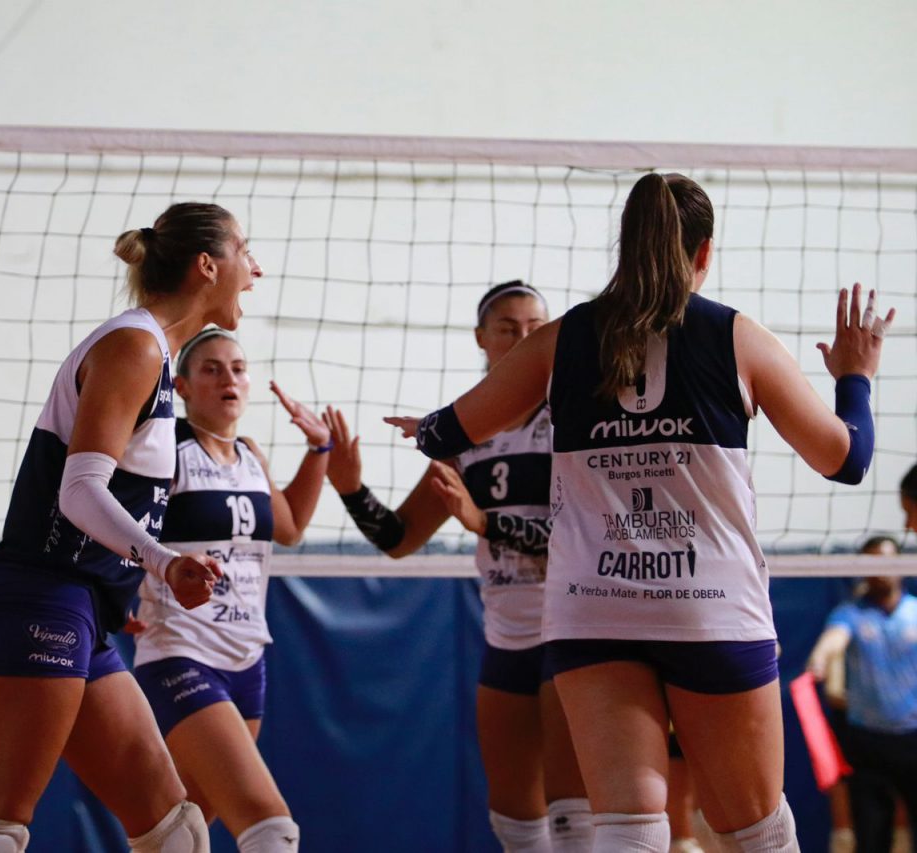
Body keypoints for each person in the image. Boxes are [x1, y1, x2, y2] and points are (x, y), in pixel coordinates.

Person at [386, 171, 893, 852]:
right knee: (757, 832)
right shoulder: (738, 337)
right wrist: (855, 379)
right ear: (704, 252)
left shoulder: (559, 340)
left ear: (624, 246)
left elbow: (446, 433)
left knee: (628, 830)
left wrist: (424, 429)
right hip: (708, 605)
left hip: (594, 607)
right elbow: (847, 459)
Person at [0, 202, 263, 853]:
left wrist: (125, 582)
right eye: (244, 252)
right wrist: (161, 562)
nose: (255, 270)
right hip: (38, 600)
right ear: (207, 266)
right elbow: (79, 491)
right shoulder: (134, 345)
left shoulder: (154, 355)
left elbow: (110, 503)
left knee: (175, 833)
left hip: (81, 610)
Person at [322, 281, 590, 852]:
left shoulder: (575, 420)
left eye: (535, 328)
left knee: (575, 820)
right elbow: (399, 539)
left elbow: (582, 538)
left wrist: (486, 523)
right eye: (508, 328)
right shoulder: (466, 433)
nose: (523, 338)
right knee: (514, 823)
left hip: (573, 627)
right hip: (507, 634)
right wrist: (350, 490)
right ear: (480, 339)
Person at [128, 327, 328, 852]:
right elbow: (114, 525)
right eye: (212, 369)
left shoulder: (250, 455)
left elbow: (289, 528)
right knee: (269, 825)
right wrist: (109, 599)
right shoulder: (164, 450)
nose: (228, 380)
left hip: (247, 657)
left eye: (237, 369)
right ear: (183, 387)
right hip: (180, 650)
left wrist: (319, 449)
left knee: (183, 835)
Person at [808, 532, 917, 853]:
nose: (880, 570)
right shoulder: (850, 613)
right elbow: (833, 640)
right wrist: (820, 658)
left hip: (913, 738)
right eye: (872, 563)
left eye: (887, 561)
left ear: (901, 564)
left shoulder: (914, 611)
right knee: (871, 835)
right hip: (867, 741)